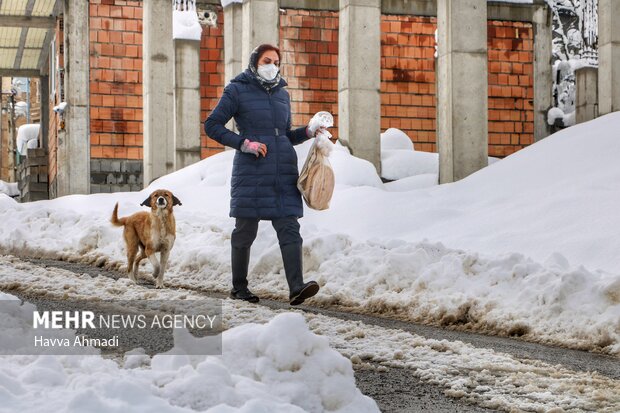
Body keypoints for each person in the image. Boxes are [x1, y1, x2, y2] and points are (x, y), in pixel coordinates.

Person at [204, 44, 327, 306]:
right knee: (245, 230)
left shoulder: (283, 95)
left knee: (290, 227)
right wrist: (243, 144)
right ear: (255, 63)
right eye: (266, 60)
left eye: (276, 61)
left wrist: (308, 131)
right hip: (252, 171)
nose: (272, 65)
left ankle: (296, 287)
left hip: (283, 171)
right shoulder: (236, 89)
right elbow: (212, 125)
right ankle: (239, 288)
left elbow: (283, 134)